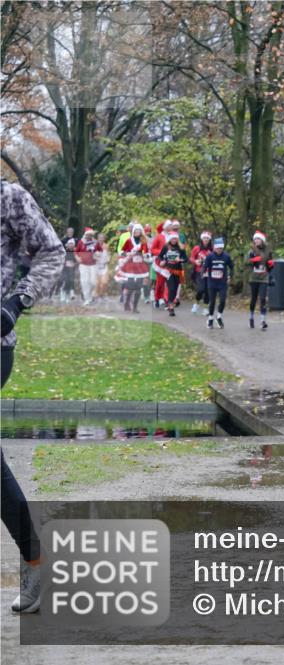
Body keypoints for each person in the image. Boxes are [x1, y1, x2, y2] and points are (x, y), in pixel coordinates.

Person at [1, 179, 65, 613]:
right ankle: (36, 557)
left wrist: (17, 301)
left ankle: (35, 559)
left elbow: (52, 251)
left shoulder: (8, 198)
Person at [117, 224, 151, 312]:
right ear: (133, 232)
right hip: (130, 266)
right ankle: (127, 303)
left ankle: (135, 307)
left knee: (138, 288)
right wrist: (126, 253)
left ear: (141, 232)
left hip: (140, 266)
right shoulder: (129, 241)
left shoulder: (143, 241)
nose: (137, 233)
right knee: (130, 286)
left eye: (139, 231)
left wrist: (145, 255)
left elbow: (147, 252)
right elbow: (122, 251)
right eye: (136, 231)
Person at [203, 237, 233, 329]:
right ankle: (210, 318)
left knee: (223, 300)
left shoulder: (226, 256)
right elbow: (204, 266)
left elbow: (231, 267)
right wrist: (203, 273)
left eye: (221, 248)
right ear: (214, 248)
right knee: (212, 301)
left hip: (222, 283)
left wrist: (230, 276)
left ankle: (219, 316)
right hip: (212, 282)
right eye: (218, 248)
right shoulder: (210, 256)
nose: (219, 250)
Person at [247, 230, 274, 330]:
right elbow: (245, 264)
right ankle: (251, 317)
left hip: (264, 278)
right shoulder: (251, 251)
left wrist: (271, 264)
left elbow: (270, 264)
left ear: (262, 240)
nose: (256, 241)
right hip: (254, 278)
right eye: (255, 239)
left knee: (263, 299)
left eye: (258, 239)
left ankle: (263, 321)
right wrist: (252, 260)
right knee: (253, 299)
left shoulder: (268, 250)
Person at [158, 231, 187, 316]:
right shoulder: (166, 247)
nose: (174, 240)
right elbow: (160, 256)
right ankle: (171, 307)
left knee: (175, 290)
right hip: (168, 270)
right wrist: (162, 261)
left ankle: (170, 302)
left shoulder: (180, 248)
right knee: (171, 288)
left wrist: (180, 260)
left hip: (178, 271)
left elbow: (186, 259)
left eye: (175, 238)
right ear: (169, 239)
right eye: (172, 239)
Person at [74, 227, 104, 305]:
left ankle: (91, 295)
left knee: (93, 282)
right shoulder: (81, 242)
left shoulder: (95, 242)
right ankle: (87, 299)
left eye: (91, 235)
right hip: (83, 265)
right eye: (88, 235)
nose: (89, 236)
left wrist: (97, 254)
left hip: (93, 265)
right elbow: (76, 252)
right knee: (85, 282)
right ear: (85, 235)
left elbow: (101, 251)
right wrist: (77, 258)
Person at [190, 231, 213, 315]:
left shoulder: (212, 249)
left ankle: (206, 308)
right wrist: (196, 261)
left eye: (207, 238)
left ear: (209, 239)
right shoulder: (197, 248)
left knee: (208, 290)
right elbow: (191, 258)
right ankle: (196, 303)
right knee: (201, 289)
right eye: (204, 238)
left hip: (209, 272)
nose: (205, 239)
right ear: (201, 239)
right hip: (199, 271)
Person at [150, 221, 168, 307]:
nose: (171, 227)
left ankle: (167, 299)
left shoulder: (174, 236)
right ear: (164, 227)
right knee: (160, 283)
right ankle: (157, 298)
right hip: (160, 262)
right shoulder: (159, 237)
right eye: (169, 226)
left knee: (170, 283)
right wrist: (161, 252)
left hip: (171, 263)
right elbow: (152, 249)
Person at [58, 238, 77, 303]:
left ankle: (68, 296)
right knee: (65, 282)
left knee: (70, 281)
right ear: (67, 245)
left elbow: (76, 261)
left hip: (72, 270)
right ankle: (62, 295)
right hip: (64, 269)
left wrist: (74, 263)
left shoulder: (75, 252)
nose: (71, 245)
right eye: (70, 244)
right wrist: (66, 263)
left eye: (72, 244)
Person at [95, 232, 110, 299]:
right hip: (96, 266)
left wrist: (108, 260)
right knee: (97, 283)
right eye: (100, 237)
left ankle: (102, 294)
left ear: (104, 239)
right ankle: (97, 295)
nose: (101, 239)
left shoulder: (106, 246)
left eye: (102, 238)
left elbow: (108, 254)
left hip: (104, 266)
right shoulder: (95, 246)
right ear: (97, 238)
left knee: (104, 282)